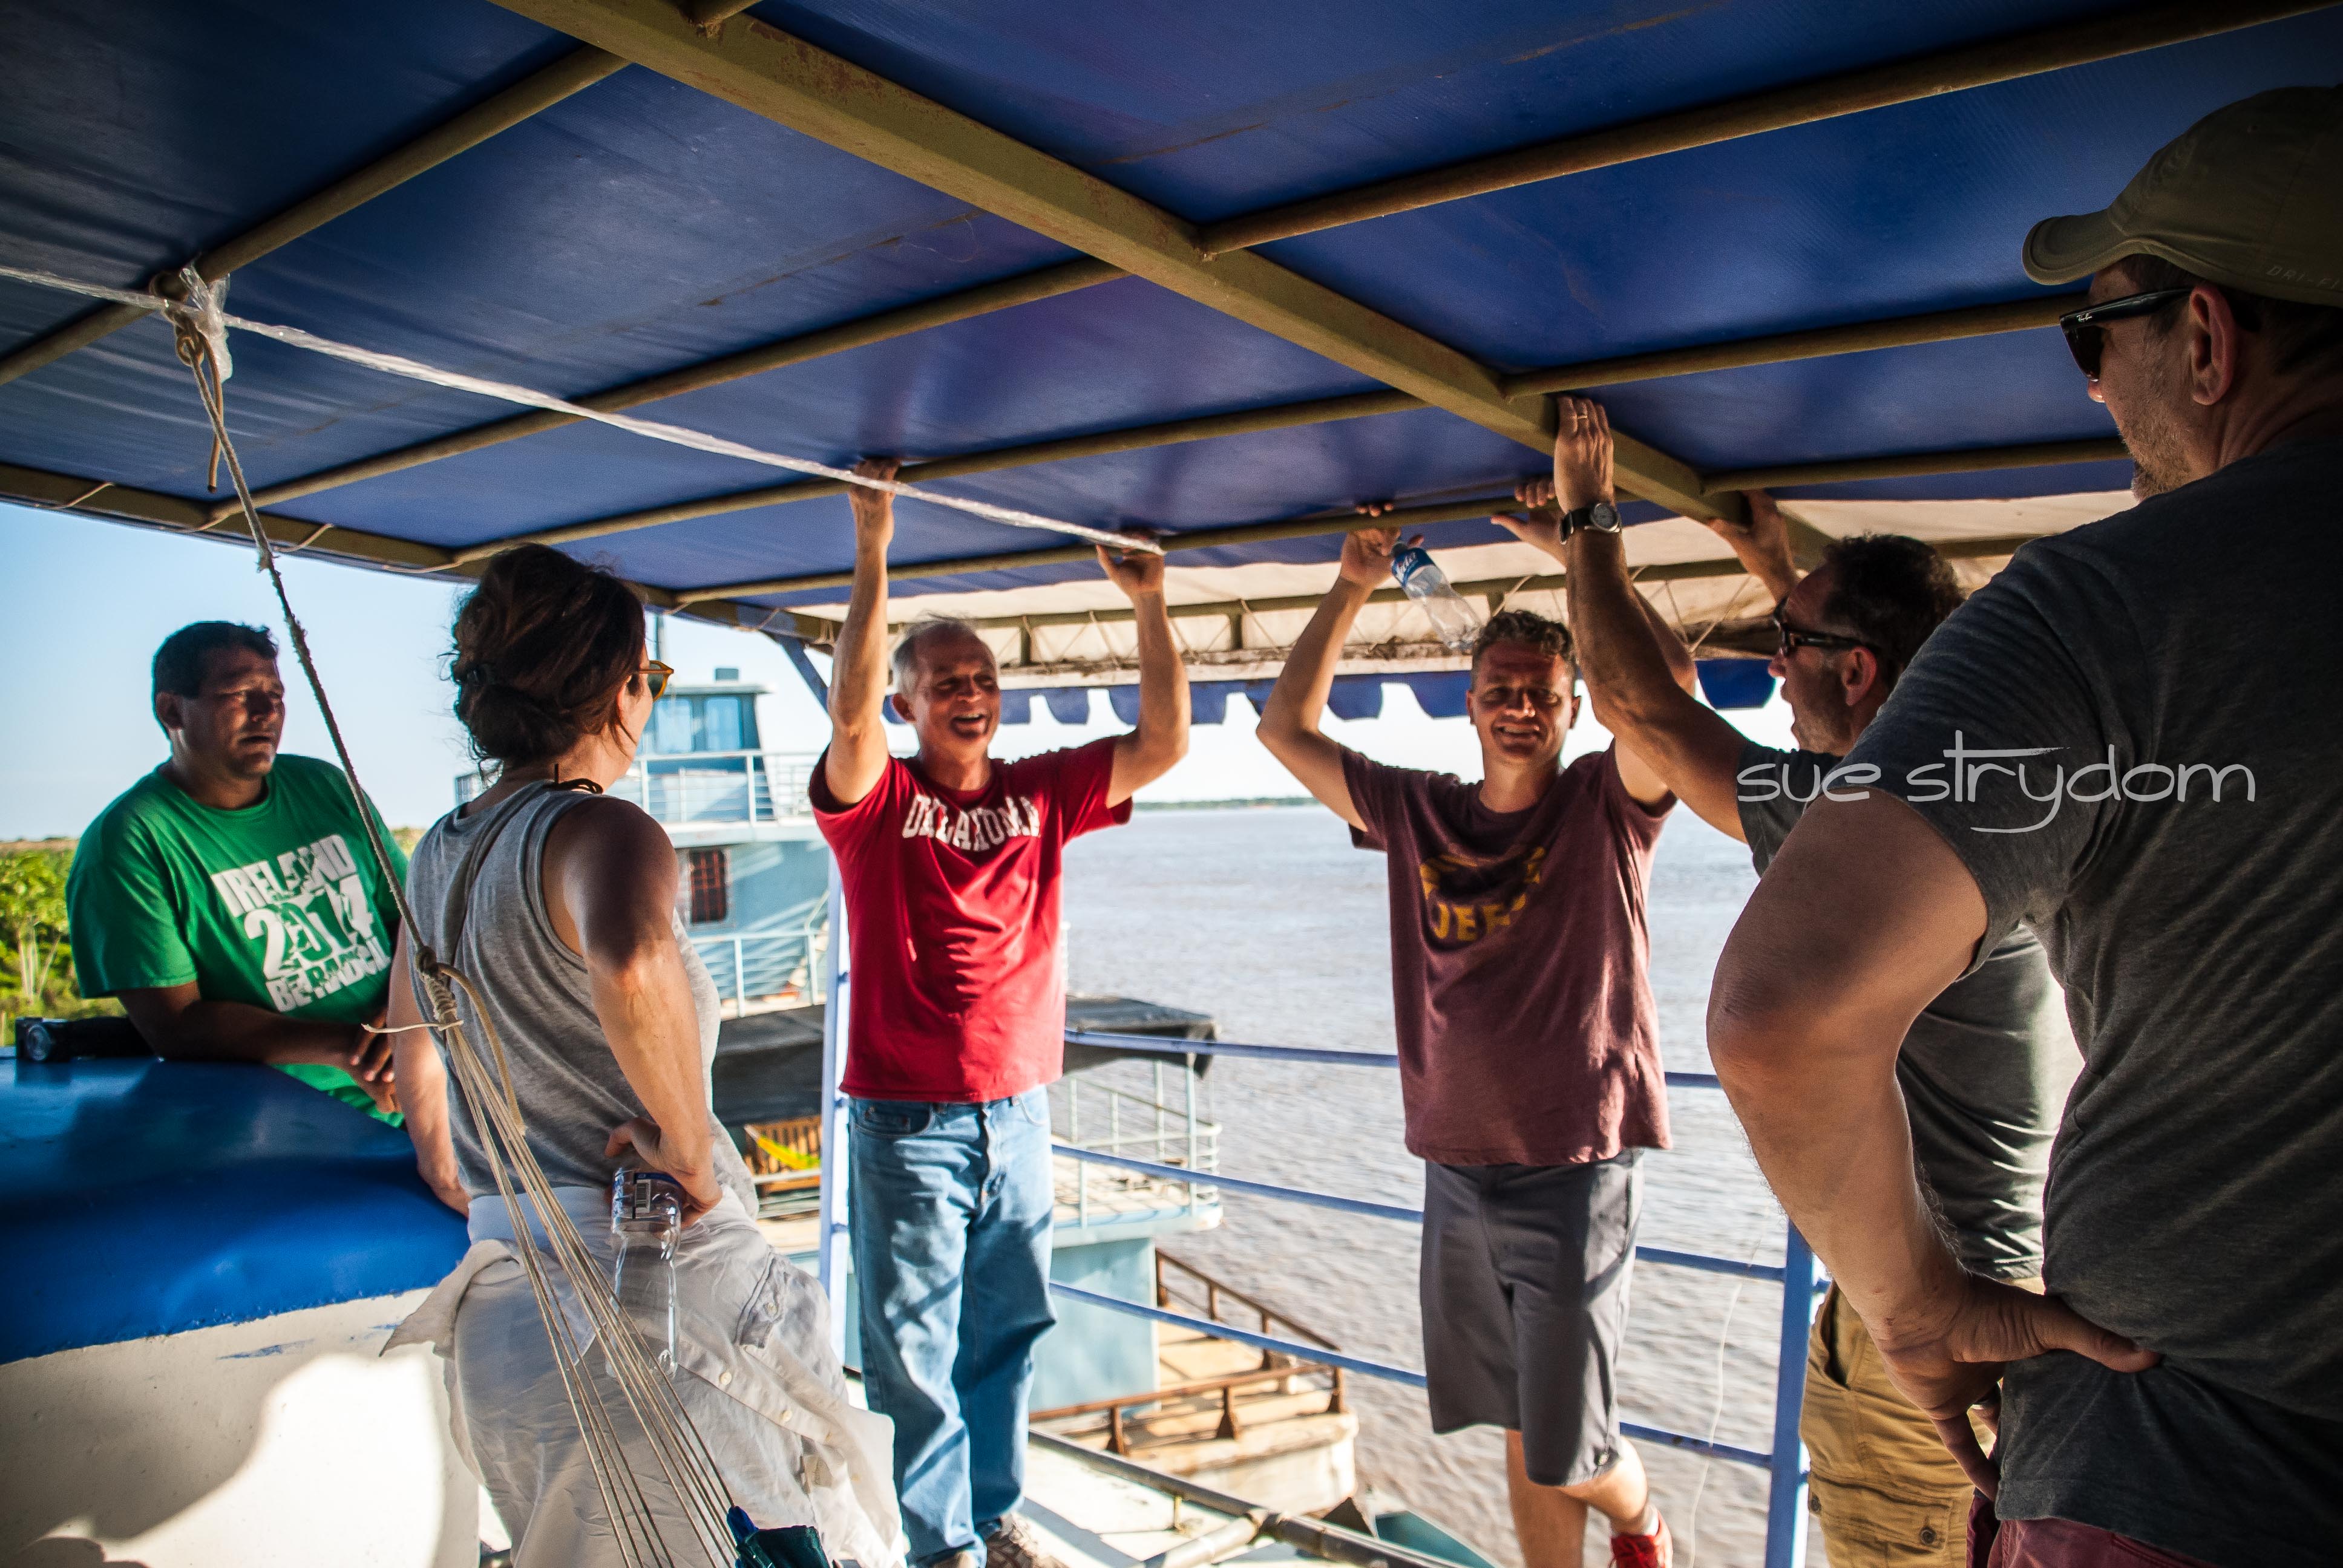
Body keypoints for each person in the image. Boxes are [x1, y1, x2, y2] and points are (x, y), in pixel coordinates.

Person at [1705, 87, 2343, 1568]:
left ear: (2206, 339)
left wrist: (1918, 1308)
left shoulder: (2103, 609)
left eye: (2094, 335)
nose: (2096, 387)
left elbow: (1785, 1017)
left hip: (2179, 1468)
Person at [1521, 415, 2077, 1567]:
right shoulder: (1992, 782)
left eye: (1786, 643)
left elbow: (1638, 705)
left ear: (1857, 669)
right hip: (1999, 1282)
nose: (1770, 666)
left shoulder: (1870, 813)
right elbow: (1876, 658)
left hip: (1927, 1314)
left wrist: (1587, 517)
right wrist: (1778, 569)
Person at [384, 543, 897, 1566]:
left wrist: (452, 1164)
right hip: (656, 1308)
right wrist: (691, 1150)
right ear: (619, 689)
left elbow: (413, 1036)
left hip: (507, 1314)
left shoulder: (439, 848)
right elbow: (631, 960)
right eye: (649, 677)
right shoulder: (597, 828)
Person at [1256, 524, 1684, 1568]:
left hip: (1576, 1165)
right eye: (1502, 689)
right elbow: (1283, 728)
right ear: (1471, 701)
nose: (1521, 707)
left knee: (1570, 1443)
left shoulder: (1607, 804)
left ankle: (1641, 1520)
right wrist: (1350, 585)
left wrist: (1587, 557)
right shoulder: (1417, 811)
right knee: (1517, 1420)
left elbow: (1668, 690)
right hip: (1454, 1168)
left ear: (1575, 707)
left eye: (1544, 692)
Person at [813, 460, 1189, 1568]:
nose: (969, 693)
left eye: (980, 677)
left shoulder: (1041, 790)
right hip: (908, 1125)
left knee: (1008, 1336)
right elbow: (846, 712)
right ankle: (942, 1550)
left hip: (1020, 1115)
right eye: (944, 681)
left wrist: (1150, 602)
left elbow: (1164, 743)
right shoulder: (876, 802)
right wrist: (873, 547)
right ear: (907, 704)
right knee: (913, 1354)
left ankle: (991, 1513)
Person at [66, 619, 403, 1120]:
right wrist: (354, 1049)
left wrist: (404, 1015)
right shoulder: (129, 841)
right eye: (239, 693)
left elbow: (413, 923)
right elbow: (176, 1025)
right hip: (292, 1123)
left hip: (420, 1081)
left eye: (276, 694)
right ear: (171, 710)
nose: (267, 711)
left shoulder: (325, 786)